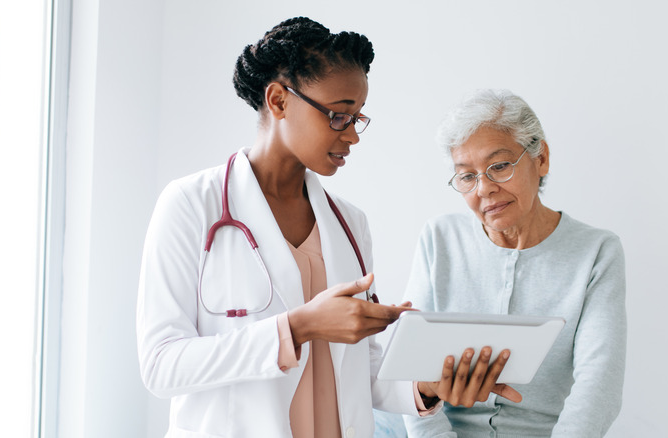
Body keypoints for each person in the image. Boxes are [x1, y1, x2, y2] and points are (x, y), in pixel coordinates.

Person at [136, 18, 519, 438]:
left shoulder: (350, 223)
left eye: (358, 118)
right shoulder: (192, 205)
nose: (353, 135)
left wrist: (429, 387)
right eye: (339, 116)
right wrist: (299, 327)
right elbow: (162, 366)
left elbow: (359, 370)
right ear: (279, 100)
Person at [401, 89, 627, 437]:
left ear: (541, 159)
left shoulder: (596, 251)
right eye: (467, 176)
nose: (484, 189)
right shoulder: (439, 238)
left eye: (500, 166)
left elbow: (599, 384)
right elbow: (412, 372)